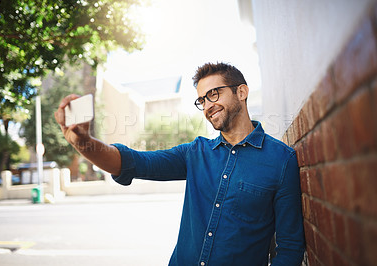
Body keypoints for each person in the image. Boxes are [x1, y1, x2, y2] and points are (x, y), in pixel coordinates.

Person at [55, 62, 305, 266]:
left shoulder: (281, 160)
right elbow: (131, 162)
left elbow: (290, 248)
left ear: (241, 92)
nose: (207, 106)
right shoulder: (195, 153)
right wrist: (83, 141)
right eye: (202, 101)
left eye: (213, 94)